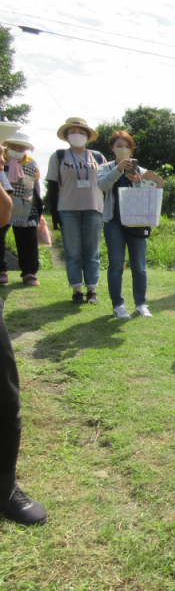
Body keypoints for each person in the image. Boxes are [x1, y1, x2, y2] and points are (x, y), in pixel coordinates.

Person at [0, 136, 47, 525]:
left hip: (20, 213)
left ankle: (5, 486)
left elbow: (3, 209)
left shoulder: (25, 168)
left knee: (4, 390)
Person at [97, 130, 161, 319]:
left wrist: (138, 183)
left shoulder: (140, 171)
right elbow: (101, 186)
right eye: (119, 146)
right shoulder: (106, 168)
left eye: (127, 146)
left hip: (136, 223)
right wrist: (118, 170)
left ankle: (141, 303)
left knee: (139, 266)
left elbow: (150, 196)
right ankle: (118, 305)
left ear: (132, 149)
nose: (123, 150)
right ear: (112, 148)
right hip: (113, 222)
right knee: (116, 264)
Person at [45, 117, 107, 304]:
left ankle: (92, 290)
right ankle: (77, 291)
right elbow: (52, 186)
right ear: (66, 136)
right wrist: (54, 214)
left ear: (88, 136)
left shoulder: (97, 157)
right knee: (72, 253)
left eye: (81, 132)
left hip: (94, 209)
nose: (77, 135)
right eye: (72, 132)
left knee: (92, 252)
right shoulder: (58, 156)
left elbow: (106, 183)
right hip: (67, 210)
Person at [0, 132, 43, 286]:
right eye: (13, 146)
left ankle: (29, 272)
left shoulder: (31, 163)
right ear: (7, 146)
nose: (17, 149)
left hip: (25, 206)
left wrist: (38, 208)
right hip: (1, 204)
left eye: (20, 147)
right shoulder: (0, 159)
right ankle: (1, 271)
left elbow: (34, 187)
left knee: (27, 240)